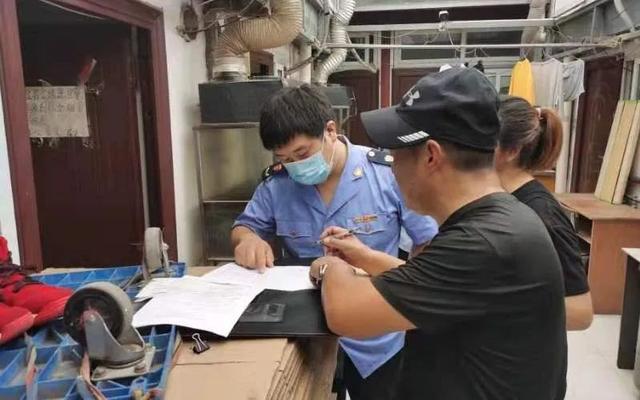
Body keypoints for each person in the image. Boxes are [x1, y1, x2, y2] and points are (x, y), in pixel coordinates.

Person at [312, 68, 567, 399]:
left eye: (395, 154)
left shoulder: (482, 243)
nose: (391, 167)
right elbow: (436, 282)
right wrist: (365, 256)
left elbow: (345, 313)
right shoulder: (495, 223)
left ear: (431, 156)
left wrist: (328, 266)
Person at [230, 84, 438, 399]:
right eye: (284, 158)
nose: (295, 166)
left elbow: (427, 240)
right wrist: (248, 240)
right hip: (306, 332)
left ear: (330, 131)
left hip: (377, 336)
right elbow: (245, 226)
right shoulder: (278, 184)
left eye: (302, 154)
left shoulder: (386, 173)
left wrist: (409, 294)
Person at [496, 95, 593, 330]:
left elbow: (581, 312)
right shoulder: (499, 200)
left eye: (481, 138)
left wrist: (490, 305)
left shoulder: (542, 214)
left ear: (512, 150)